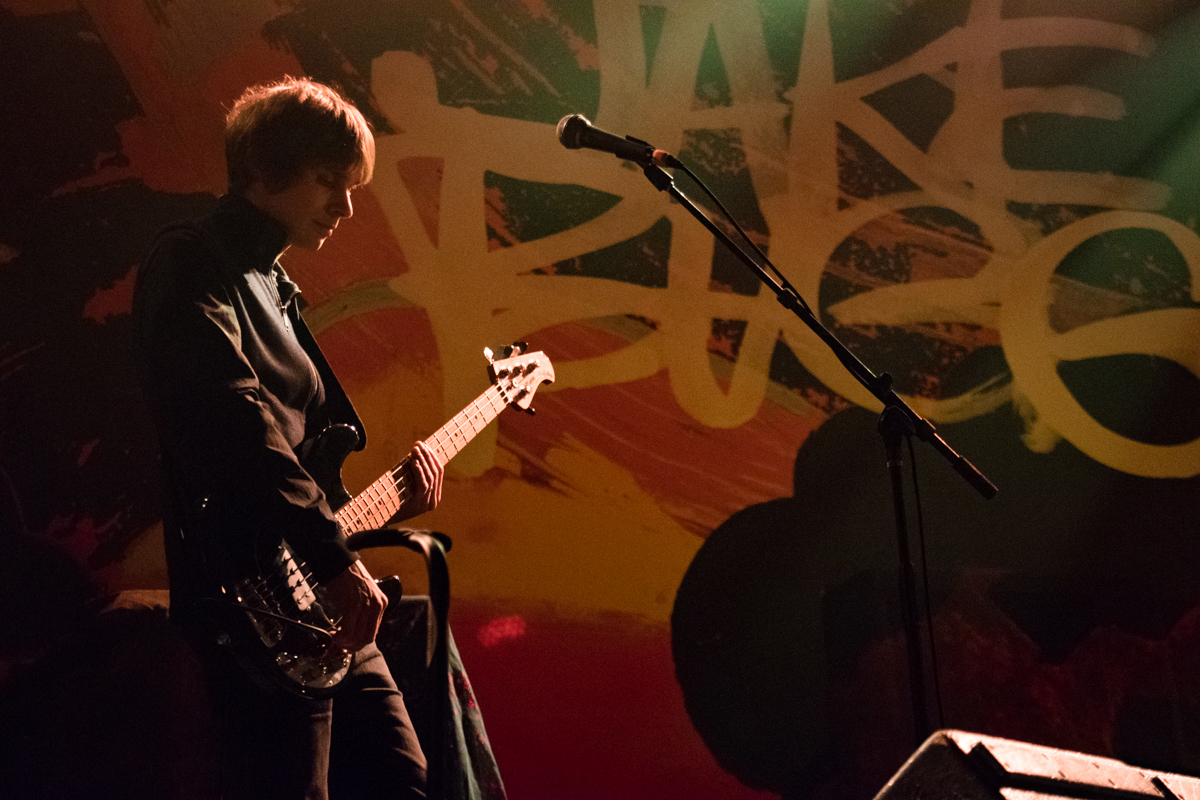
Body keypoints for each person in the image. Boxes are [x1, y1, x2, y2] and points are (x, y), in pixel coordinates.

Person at [133, 76, 443, 799]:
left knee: (403, 778)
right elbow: (237, 427)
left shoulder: (274, 287)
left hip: (318, 586)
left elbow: (300, 458)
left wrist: (386, 506)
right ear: (265, 171)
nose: (345, 205)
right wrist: (333, 561)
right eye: (328, 181)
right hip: (253, 606)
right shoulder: (192, 263)